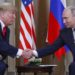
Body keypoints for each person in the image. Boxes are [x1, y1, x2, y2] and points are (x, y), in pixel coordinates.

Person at [24, 6, 75, 75]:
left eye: (66, 18)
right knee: (73, 67)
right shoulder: (65, 32)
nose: (63, 22)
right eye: (63, 19)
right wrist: (33, 52)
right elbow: (52, 47)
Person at [0, 2, 32, 75]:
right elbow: (2, 45)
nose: (14, 17)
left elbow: (4, 48)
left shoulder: (7, 29)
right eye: (12, 13)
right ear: (2, 14)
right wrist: (21, 53)